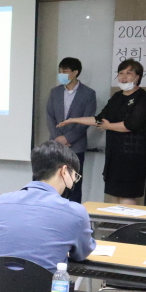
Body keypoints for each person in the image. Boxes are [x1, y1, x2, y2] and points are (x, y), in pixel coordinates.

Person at [0, 141, 95, 292]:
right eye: (74, 175)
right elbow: (81, 254)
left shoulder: (1, 202)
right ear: (64, 171)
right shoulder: (75, 212)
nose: (74, 181)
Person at [60, 58, 146, 205]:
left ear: (137, 77)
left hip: (132, 155)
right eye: (121, 73)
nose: (123, 76)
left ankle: (127, 221)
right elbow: (100, 119)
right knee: (113, 194)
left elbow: (132, 124)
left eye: (128, 73)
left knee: (127, 195)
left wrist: (109, 126)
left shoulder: (143, 97)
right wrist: (74, 120)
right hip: (114, 153)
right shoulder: (117, 96)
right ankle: (115, 221)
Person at [45, 57, 96, 204]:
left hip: (76, 146)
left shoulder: (88, 93)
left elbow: (87, 120)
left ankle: (73, 213)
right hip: (56, 145)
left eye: (65, 71)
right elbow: (50, 116)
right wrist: (58, 138)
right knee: (55, 182)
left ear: (75, 73)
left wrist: (68, 138)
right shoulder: (54, 92)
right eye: (60, 71)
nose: (61, 74)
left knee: (73, 184)